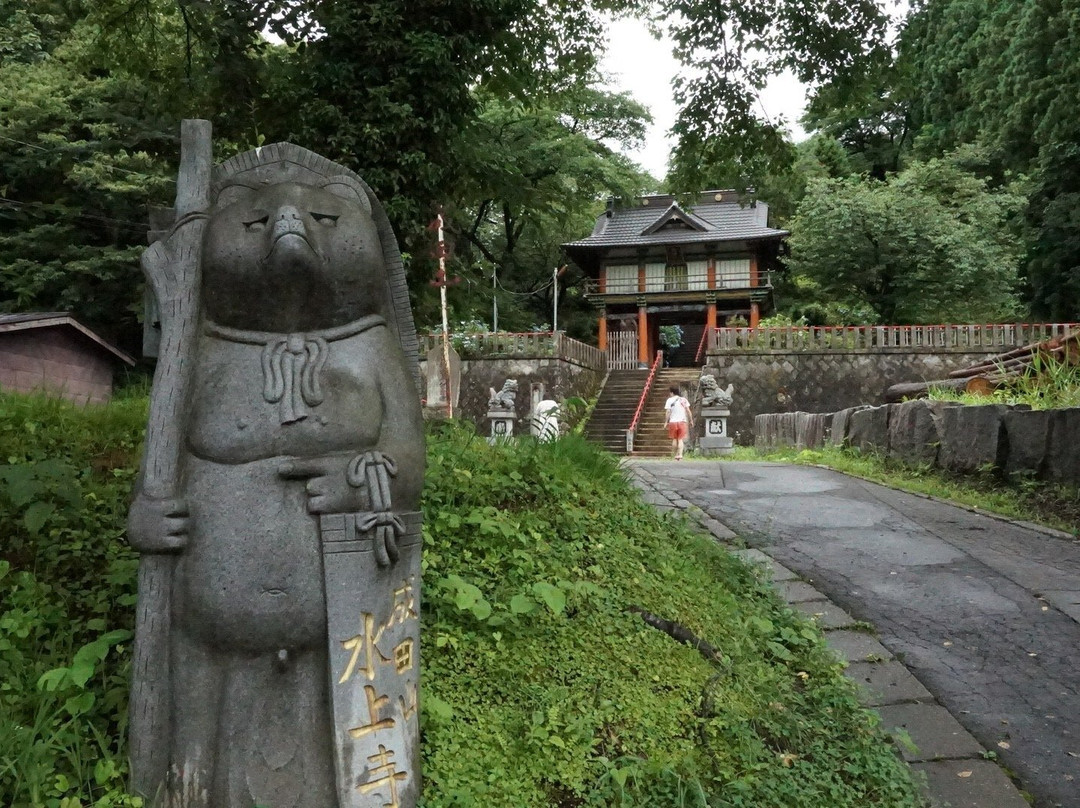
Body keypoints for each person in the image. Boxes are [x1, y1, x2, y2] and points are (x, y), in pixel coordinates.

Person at [663, 384, 693, 460]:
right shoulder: (684, 400)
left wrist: (666, 422)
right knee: (680, 439)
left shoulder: (669, 400)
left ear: (672, 392)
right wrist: (691, 420)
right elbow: (688, 411)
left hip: (673, 422)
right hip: (682, 421)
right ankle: (680, 455)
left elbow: (668, 412)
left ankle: (675, 454)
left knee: (674, 439)